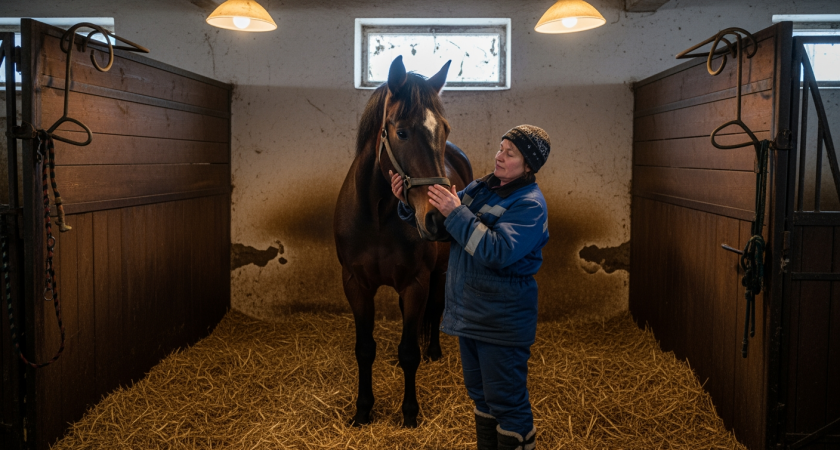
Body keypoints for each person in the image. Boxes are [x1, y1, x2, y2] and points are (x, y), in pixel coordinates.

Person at [390, 125, 551, 450]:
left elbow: (498, 252)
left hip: (502, 322)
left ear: (529, 165)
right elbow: (442, 228)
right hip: (471, 316)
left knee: (507, 403)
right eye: (500, 147)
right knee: (482, 398)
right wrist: (407, 202)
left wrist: (456, 211)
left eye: (511, 153)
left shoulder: (529, 205)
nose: (499, 156)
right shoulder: (482, 188)